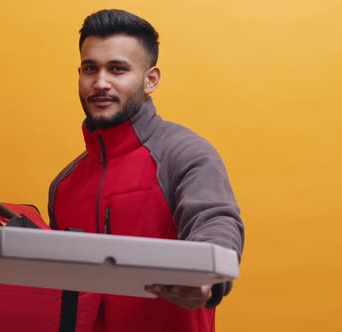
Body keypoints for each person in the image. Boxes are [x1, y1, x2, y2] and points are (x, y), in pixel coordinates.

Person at [48, 9, 245, 332]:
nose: (100, 83)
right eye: (90, 69)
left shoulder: (185, 154)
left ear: (149, 79)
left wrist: (207, 275)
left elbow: (216, 221)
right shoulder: (64, 185)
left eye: (117, 69)